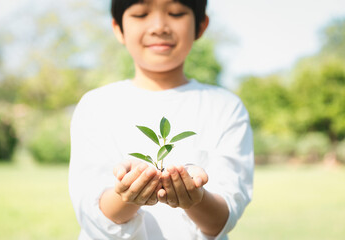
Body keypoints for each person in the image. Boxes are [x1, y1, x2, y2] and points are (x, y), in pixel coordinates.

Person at [69, 0, 254, 239]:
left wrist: (195, 199)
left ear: (201, 25)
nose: (159, 26)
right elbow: (92, 212)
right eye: (141, 14)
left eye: (176, 13)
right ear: (118, 28)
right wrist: (127, 195)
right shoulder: (95, 106)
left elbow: (223, 217)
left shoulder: (225, 107)